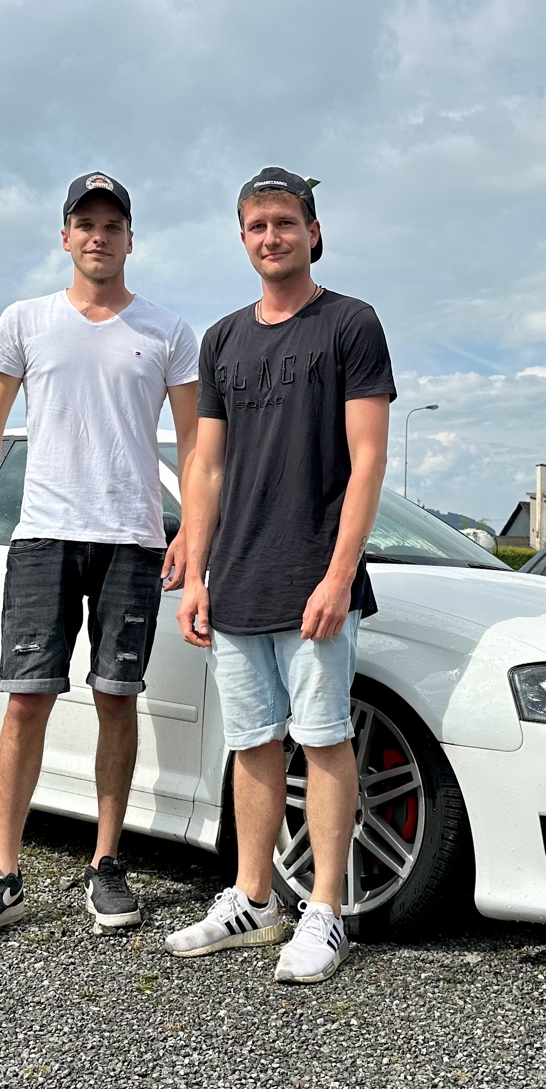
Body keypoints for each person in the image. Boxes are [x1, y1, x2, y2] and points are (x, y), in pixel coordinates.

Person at [0, 172, 199, 943]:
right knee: (27, 700)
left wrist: (193, 530)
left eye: (112, 225)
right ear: (65, 236)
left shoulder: (167, 331)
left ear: (131, 239)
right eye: (85, 224)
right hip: (45, 535)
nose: (98, 236)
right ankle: (4, 873)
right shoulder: (25, 321)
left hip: (132, 539)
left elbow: (196, 445)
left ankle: (107, 863)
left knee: (118, 697)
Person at [166, 167, 394, 984]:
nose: (272, 237)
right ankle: (253, 899)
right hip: (235, 579)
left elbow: (368, 458)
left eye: (286, 222)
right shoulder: (223, 339)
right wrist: (197, 572)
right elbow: (207, 467)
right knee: (253, 743)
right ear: (242, 239)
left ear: (313, 231)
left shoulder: (350, 323)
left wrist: (339, 575)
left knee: (324, 739)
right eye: (258, 225)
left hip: (313, 579)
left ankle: (325, 910)